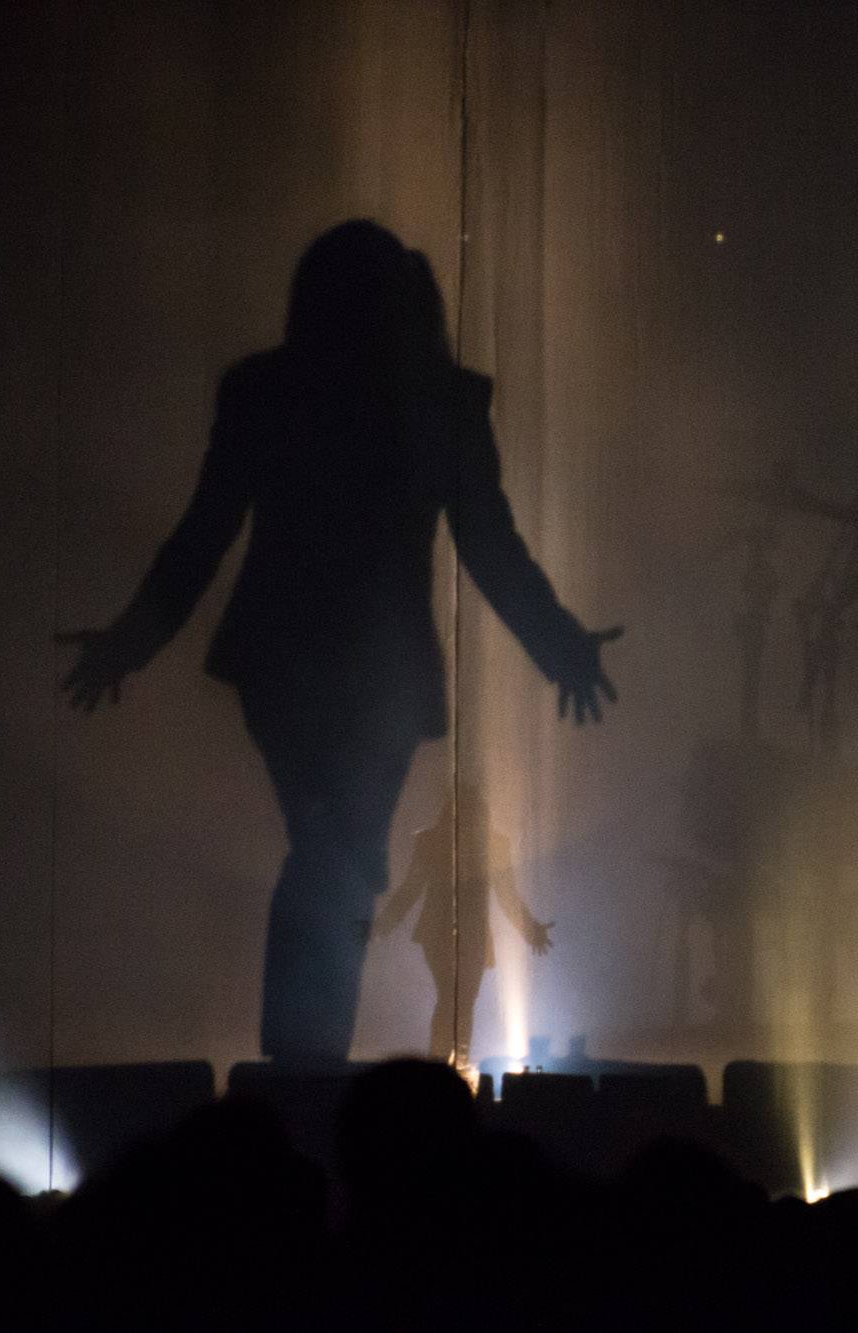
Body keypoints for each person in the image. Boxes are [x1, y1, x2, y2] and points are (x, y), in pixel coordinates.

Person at [59, 220, 618, 1064]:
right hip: (366, 679)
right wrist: (561, 644)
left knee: (335, 852)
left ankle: (303, 1062)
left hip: (288, 667)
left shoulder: (269, 392)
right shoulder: (439, 405)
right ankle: (305, 1062)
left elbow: (204, 535)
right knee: (341, 854)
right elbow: (490, 548)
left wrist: (128, 644)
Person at [374, 786, 552, 1067]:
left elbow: (506, 895)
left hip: (464, 935)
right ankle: (448, 1066)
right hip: (444, 933)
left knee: (458, 1000)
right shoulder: (440, 842)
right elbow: (412, 888)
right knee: (457, 999)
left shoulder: (473, 843)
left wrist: (530, 929)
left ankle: (447, 1065)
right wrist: (380, 926)